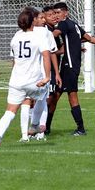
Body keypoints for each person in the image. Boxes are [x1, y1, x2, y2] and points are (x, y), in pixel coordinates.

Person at [0, 9, 51, 147]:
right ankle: (35, 125)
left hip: (17, 80)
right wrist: (47, 76)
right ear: (32, 22)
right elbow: (46, 55)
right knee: (43, 96)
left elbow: (14, 60)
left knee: (10, 111)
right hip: (34, 81)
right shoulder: (38, 36)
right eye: (35, 18)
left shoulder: (16, 37)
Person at [52, 2, 95, 136]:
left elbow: (53, 34)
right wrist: (76, 45)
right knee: (55, 96)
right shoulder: (74, 24)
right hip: (68, 65)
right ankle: (45, 127)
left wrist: (35, 34)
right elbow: (90, 39)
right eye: (54, 13)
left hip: (70, 66)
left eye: (58, 13)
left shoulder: (63, 24)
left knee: (72, 96)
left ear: (66, 13)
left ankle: (81, 128)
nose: (56, 16)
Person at [26, 7, 61, 141]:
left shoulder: (46, 33)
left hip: (43, 73)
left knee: (42, 100)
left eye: (43, 17)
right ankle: (29, 132)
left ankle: (40, 131)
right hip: (31, 72)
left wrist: (56, 73)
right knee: (30, 102)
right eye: (41, 17)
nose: (44, 19)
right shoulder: (27, 33)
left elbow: (51, 53)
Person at [40, 6, 64, 135]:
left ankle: (46, 126)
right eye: (50, 15)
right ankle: (40, 127)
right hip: (47, 70)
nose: (54, 16)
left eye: (55, 13)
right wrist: (66, 49)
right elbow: (50, 53)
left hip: (56, 69)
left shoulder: (53, 30)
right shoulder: (44, 32)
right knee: (47, 99)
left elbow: (56, 50)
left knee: (54, 97)